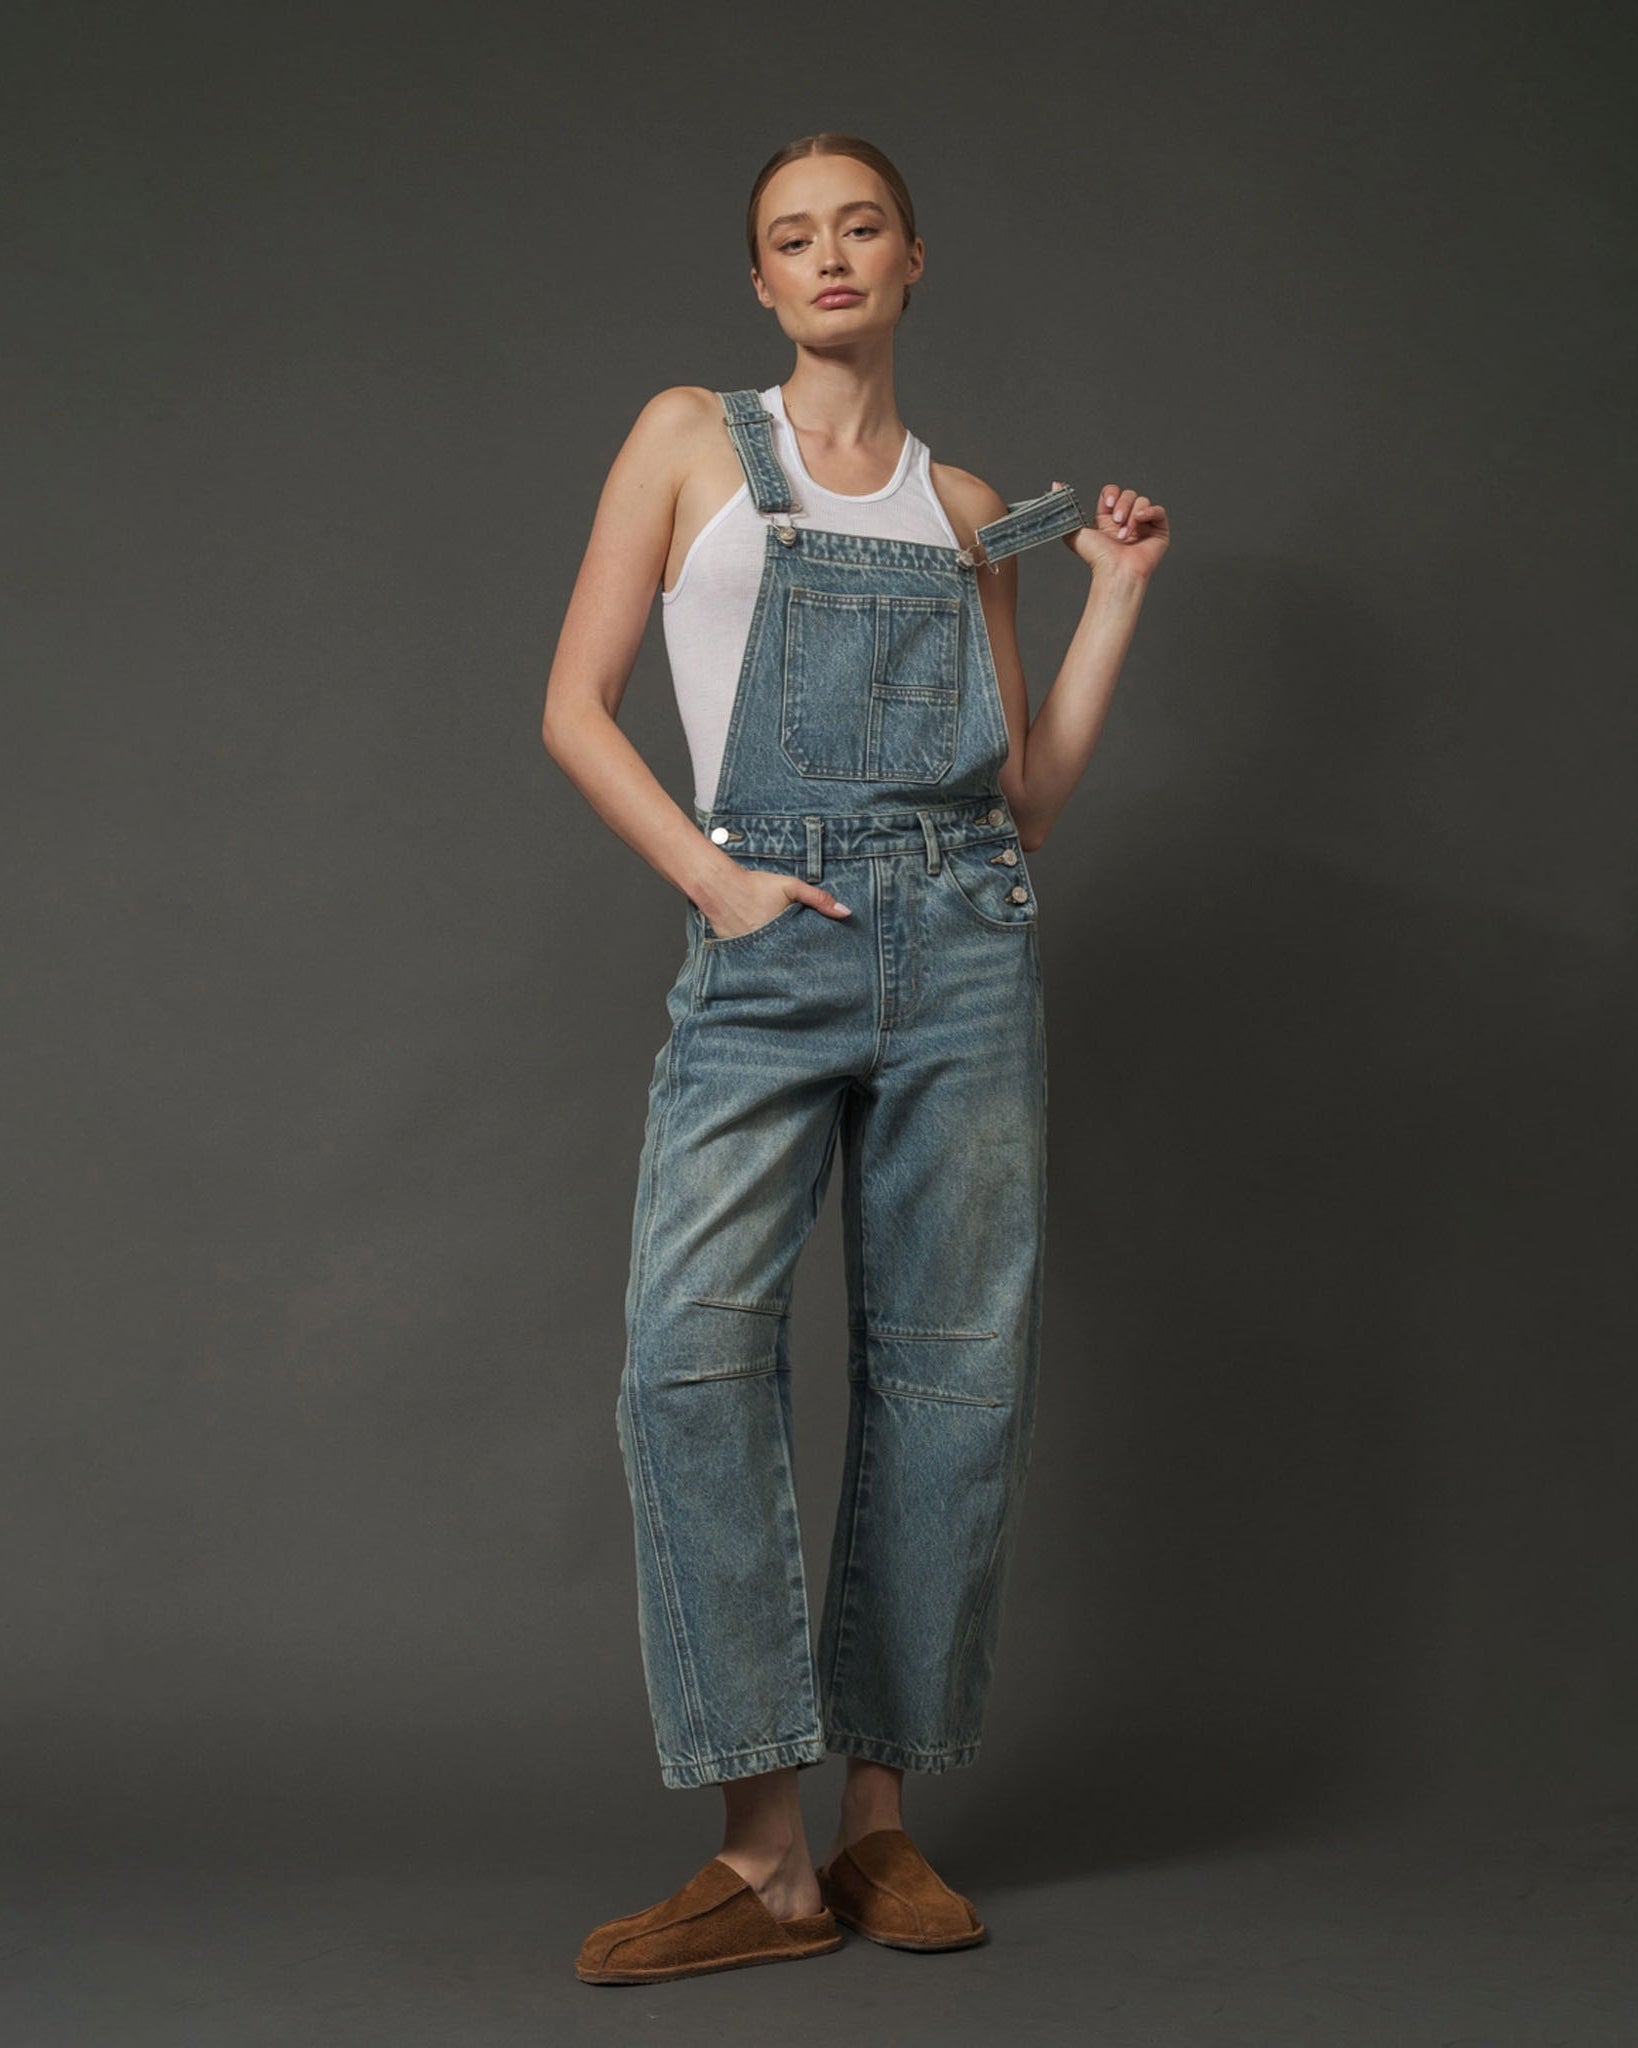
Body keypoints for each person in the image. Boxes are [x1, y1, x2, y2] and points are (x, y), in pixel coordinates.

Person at [542, 132, 1170, 1986]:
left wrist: (1113, 597)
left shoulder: (967, 502)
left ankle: (882, 1830)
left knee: (947, 1372)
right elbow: (572, 711)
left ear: (912, 260)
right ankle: (762, 1853)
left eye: (859, 228)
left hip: (968, 945)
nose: (827, 258)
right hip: (772, 947)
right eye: (789, 238)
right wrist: (717, 890)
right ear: (760, 282)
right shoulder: (684, 440)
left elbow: (1029, 799)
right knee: (690, 1353)